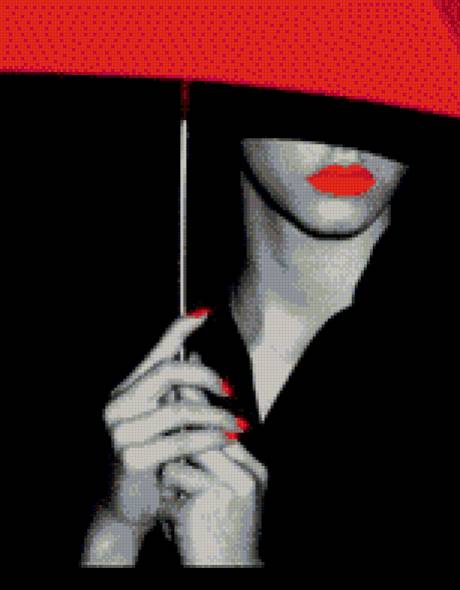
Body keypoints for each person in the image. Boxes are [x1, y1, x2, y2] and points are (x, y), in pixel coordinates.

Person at [81, 137, 410, 566]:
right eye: (306, 99)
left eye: (384, 96)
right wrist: (114, 537)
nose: (348, 144)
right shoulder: (126, 360)